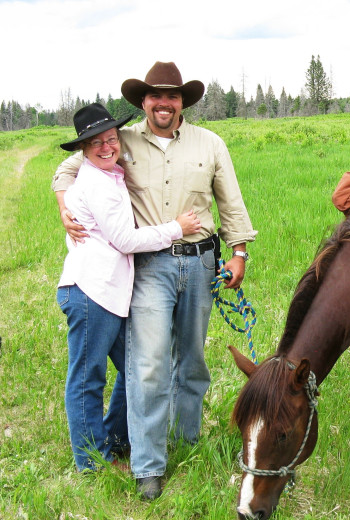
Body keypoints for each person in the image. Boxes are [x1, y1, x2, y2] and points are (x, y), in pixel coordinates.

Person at [52, 62, 257, 499]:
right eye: (155, 96)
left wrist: (239, 253)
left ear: (183, 101)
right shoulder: (120, 141)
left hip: (201, 263)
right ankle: (147, 465)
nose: (163, 103)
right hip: (147, 266)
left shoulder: (211, 143)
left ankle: (185, 440)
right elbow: (68, 169)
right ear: (142, 101)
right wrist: (62, 207)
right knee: (147, 365)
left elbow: (231, 203)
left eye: (172, 96)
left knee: (193, 361)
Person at [56, 103, 201, 473]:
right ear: (83, 150)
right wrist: (175, 228)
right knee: (87, 376)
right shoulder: (95, 183)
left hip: (108, 292)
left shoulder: (109, 175)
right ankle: (91, 462)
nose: (106, 147)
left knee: (133, 366)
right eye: (95, 144)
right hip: (92, 291)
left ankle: (118, 438)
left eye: (110, 139)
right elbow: (123, 239)